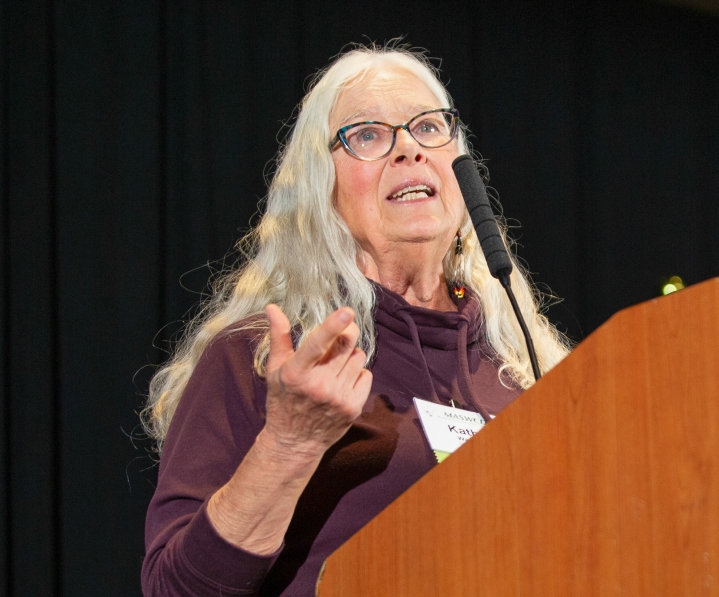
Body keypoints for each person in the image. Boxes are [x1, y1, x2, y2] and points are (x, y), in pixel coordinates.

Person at [141, 44, 572, 596]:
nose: (409, 150)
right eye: (368, 134)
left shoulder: (522, 367)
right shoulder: (266, 360)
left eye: (427, 127)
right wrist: (289, 445)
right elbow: (174, 590)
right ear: (321, 189)